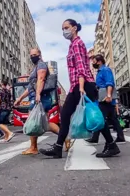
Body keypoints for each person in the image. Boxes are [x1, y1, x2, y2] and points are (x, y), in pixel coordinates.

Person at [40, 19, 120, 158]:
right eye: (62, 28)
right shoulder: (73, 45)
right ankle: (111, 144)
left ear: (74, 28)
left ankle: (58, 148)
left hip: (82, 84)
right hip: (78, 85)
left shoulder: (77, 44)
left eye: (66, 27)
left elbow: (81, 68)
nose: (64, 31)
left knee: (75, 115)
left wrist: (81, 87)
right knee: (88, 115)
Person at [14, 48, 60, 155]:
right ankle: (65, 138)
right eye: (31, 55)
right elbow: (30, 87)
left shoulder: (41, 65)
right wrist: (20, 98)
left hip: (40, 97)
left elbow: (41, 79)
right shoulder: (35, 67)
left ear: (39, 55)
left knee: (32, 121)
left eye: (34, 54)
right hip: (39, 97)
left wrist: (38, 94)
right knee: (47, 123)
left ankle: (33, 148)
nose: (32, 57)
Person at [85, 54, 125, 145]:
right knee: (113, 118)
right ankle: (120, 136)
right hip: (103, 96)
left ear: (99, 61)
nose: (93, 63)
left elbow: (109, 83)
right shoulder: (99, 71)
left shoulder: (105, 70)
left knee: (100, 117)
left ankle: (95, 137)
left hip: (105, 97)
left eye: (94, 61)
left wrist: (109, 95)